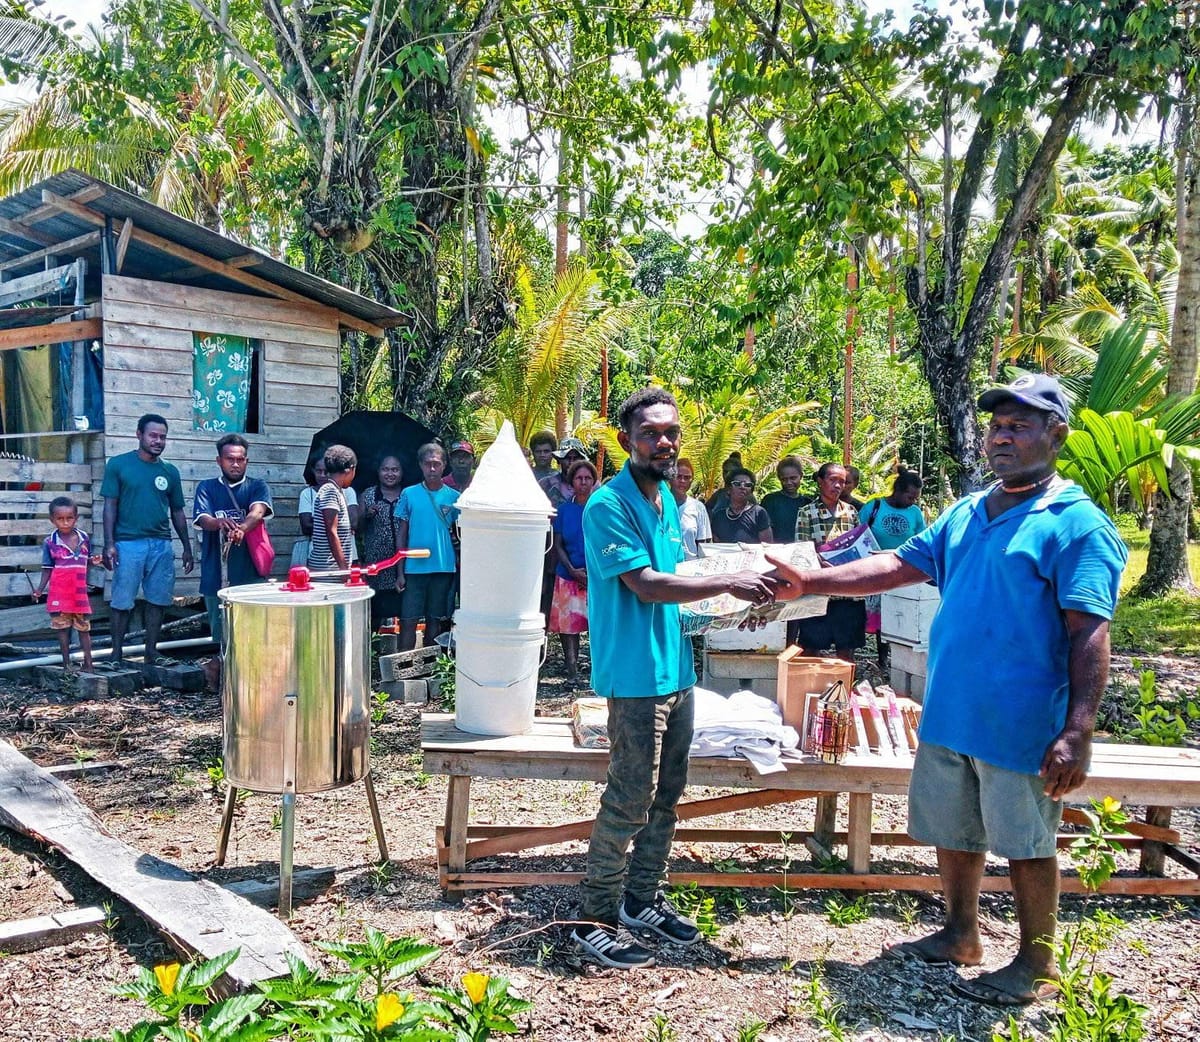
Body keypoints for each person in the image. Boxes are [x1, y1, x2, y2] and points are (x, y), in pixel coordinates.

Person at [768, 374, 1127, 1006]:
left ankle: (1036, 964)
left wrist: (1078, 729)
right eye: (997, 426)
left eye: (1019, 426)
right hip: (952, 708)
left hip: (1020, 719)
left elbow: (1089, 632)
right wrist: (816, 579)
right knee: (954, 828)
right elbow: (896, 564)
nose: (1002, 438)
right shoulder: (968, 509)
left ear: (1057, 434)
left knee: (1025, 839)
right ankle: (961, 934)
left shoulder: (1076, 526)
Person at [572, 386, 778, 970]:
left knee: (668, 795)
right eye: (649, 433)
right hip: (635, 676)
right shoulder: (607, 505)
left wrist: (743, 607)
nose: (663, 443)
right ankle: (595, 917)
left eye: (670, 433)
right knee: (630, 796)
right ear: (624, 440)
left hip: (677, 670)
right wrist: (728, 585)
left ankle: (642, 899)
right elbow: (647, 586)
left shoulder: (667, 501)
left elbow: (679, 594)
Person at [100, 413, 193, 666]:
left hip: (161, 543)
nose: (158, 441)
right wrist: (109, 543)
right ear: (139, 434)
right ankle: (116, 655)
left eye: (162, 437)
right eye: (153, 435)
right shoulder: (118, 465)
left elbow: (177, 511)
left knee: (159, 599)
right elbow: (110, 505)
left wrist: (186, 546)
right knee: (122, 600)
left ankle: (151, 653)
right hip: (128, 543)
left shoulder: (170, 472)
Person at [193, 435, 273, 646]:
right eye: (230, 459)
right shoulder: (207, 488)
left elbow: (257, 512)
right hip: (216, 576)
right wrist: (219, 523)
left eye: (240, 459)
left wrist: (242, 528)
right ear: (219, 460)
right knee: (222, 639)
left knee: (254, 636)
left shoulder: (257, 486)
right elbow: (203, 519)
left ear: (246, 460)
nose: (235, 464)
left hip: (251, 576)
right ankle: (222, 678)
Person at [791, 462, 865, 661]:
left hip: (847, 592)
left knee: (847, 648)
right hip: (819, 589)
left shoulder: (850, 512)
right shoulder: (807, 512)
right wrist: (820, 564)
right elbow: (802, 548)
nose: (838, 486)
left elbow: (858, 545)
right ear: (820, 481)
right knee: (812, 647)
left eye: (842, 482)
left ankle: (844, 688)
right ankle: (808, 687)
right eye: (833, 480)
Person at [395, 443, 460, 650]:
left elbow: (461, 534)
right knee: (408, 619)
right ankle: (404, 667)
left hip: (443, 567)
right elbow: (402, 534)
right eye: (427, 464)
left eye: (436, 464)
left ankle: (432, 668)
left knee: (436, 619)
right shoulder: (409, 494)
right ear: (420, 466)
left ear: (444, 466)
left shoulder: (455, 498)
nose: (432, 469)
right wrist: (399, 571)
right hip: (414, 568)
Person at [32, 496, 100, 672]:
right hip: (59, 592)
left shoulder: (84, 538)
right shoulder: (50, 542)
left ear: (76, 518)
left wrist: (95, 560)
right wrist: (39, 589)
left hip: (79, 592)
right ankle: (66, 664)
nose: (65, 523)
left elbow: (87, 561)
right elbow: (47, 568)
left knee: (83, 628)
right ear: (52, 520)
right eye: (60, 519)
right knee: (62, 629)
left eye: (69, 518)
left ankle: (89, 664)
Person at [549, 459, 598, 682]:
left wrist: (591, 572)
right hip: (568, 575)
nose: (584, 482)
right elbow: (557, 544)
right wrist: (572, 569)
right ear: (572, 482)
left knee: (599, 626)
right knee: (569, 629)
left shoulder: (600, 509)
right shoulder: (564, 510)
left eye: (588, 478)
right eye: (579, 478)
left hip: (597, 577)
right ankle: (572, 672)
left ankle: (598, 672)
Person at [360, 455, 407, 630]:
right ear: (378, 471)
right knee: (373, 615)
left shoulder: (407, 494)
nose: (390, 473)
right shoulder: (369, 495)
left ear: (401, 473)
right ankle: (372, 652)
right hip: (377, 567)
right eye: (385, 469)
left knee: (405, 614)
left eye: (395, 469)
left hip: (403, 566)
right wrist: (367, 515)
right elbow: (357, 527)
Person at [300, 455, 359, 564]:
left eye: (326, 471)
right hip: (319, 558)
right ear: (313, 470)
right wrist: (340, 526)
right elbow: (305, 527)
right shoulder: (307, 494)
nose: (322, 475)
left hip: (348, 556)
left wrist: (319, 522)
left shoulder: (348, 492)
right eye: (319, 471)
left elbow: (354, 523)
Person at [531, 431, 560, 617]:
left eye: (546, 451)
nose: (542, 455)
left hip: (555, 535)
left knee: (550, 583)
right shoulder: (525, 475)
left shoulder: (560, 477)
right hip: (531, 534)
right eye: (538, 451)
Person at [708, 467, 773, 543]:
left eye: (747, 485)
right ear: (728, 489)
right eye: (737, 484)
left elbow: (767, 545)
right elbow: (716, 545)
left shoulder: (759, 513)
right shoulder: (718, 516)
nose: (742, 487)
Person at [669, 457, 711, 560]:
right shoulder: (658, 504)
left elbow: (704, 544)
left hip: (690, 568)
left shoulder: (698, 508)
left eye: (687, 478)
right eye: (678, 476)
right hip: (665, 569)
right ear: (670, 478)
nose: (682, 481)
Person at [760, 455, 808, 544]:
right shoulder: (770, 501)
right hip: (776, 550)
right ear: (779, 478)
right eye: (784, 479)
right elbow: (763, 530)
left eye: (793, 478)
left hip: (801, 550)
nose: (789, 483)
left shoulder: (807, 503)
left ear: (801, 476)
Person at [539, 436, 589, 509]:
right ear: (559, 460)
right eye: (567, 458)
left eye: (575, 458)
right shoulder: (546, 484)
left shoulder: (592, 486)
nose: (571, 462)